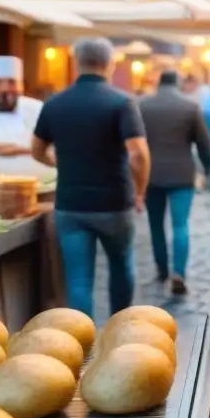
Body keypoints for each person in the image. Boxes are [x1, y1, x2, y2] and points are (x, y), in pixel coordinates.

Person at [31, 38, 151, 319]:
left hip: (71, 205)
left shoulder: (55, 103)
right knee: (121, 268)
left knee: (78, 280)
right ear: (110, 64)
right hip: (114, 203)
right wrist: (141, 191)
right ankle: (119, 329)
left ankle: (84, 345)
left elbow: (36, 149)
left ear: (77, 63)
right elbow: (139, 155)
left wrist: (56, 161)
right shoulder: (122, 102)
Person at [138, 70, 210, 295]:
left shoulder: (142, 107)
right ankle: (179, 272)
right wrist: (208, 167)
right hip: (181, 175)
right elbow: (204, 143)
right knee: (180, 225)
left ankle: (161, 268)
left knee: (155, 224)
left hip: (151, 176)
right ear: (178, 84)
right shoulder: (189, 108)